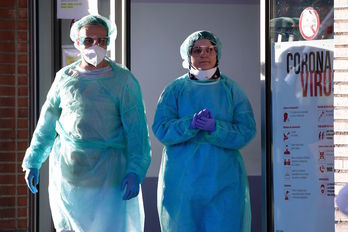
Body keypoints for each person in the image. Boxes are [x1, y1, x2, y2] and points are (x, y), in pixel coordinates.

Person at [22, 15, 151, 232]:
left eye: (102, 40)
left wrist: (135, 170)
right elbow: (47, 123)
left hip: (110, 175)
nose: (95, 45)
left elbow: (137, 131)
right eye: (88, 40)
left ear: (109, 43)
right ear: (77, 42)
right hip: (71, 174)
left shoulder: (123, 80)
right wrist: (33, 161)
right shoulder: (65, 78)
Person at [152, 30, 256, 232]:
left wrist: (217, 128)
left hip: (224, 182)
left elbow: (247, 129)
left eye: (209, 49)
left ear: (217, 54)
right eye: (197, 50)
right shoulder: (174, 90)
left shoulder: (231, 90)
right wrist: (189, 124)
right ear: (187, 55)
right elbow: (161, 128)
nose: (203, 54)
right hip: (182, 184)